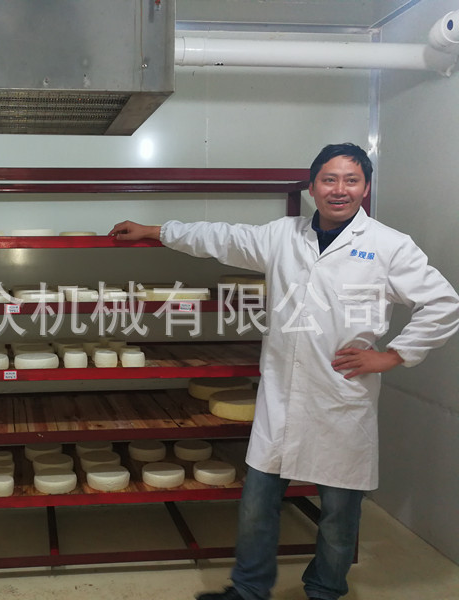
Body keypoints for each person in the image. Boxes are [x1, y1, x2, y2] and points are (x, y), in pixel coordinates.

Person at [109, 143, 459, 600]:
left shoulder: (388, 245)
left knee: (338, 514)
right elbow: (221, 238)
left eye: (351, 180)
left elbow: (443, 303)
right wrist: (155, 230)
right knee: (257, 505)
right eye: (329, 180)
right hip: (280, 395)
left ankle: (325, 591)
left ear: (365, 187)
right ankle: (249, 589)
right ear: (312, 187)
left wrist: (392, 356)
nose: (339, 189)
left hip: (341, 396)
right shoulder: (282, 235)